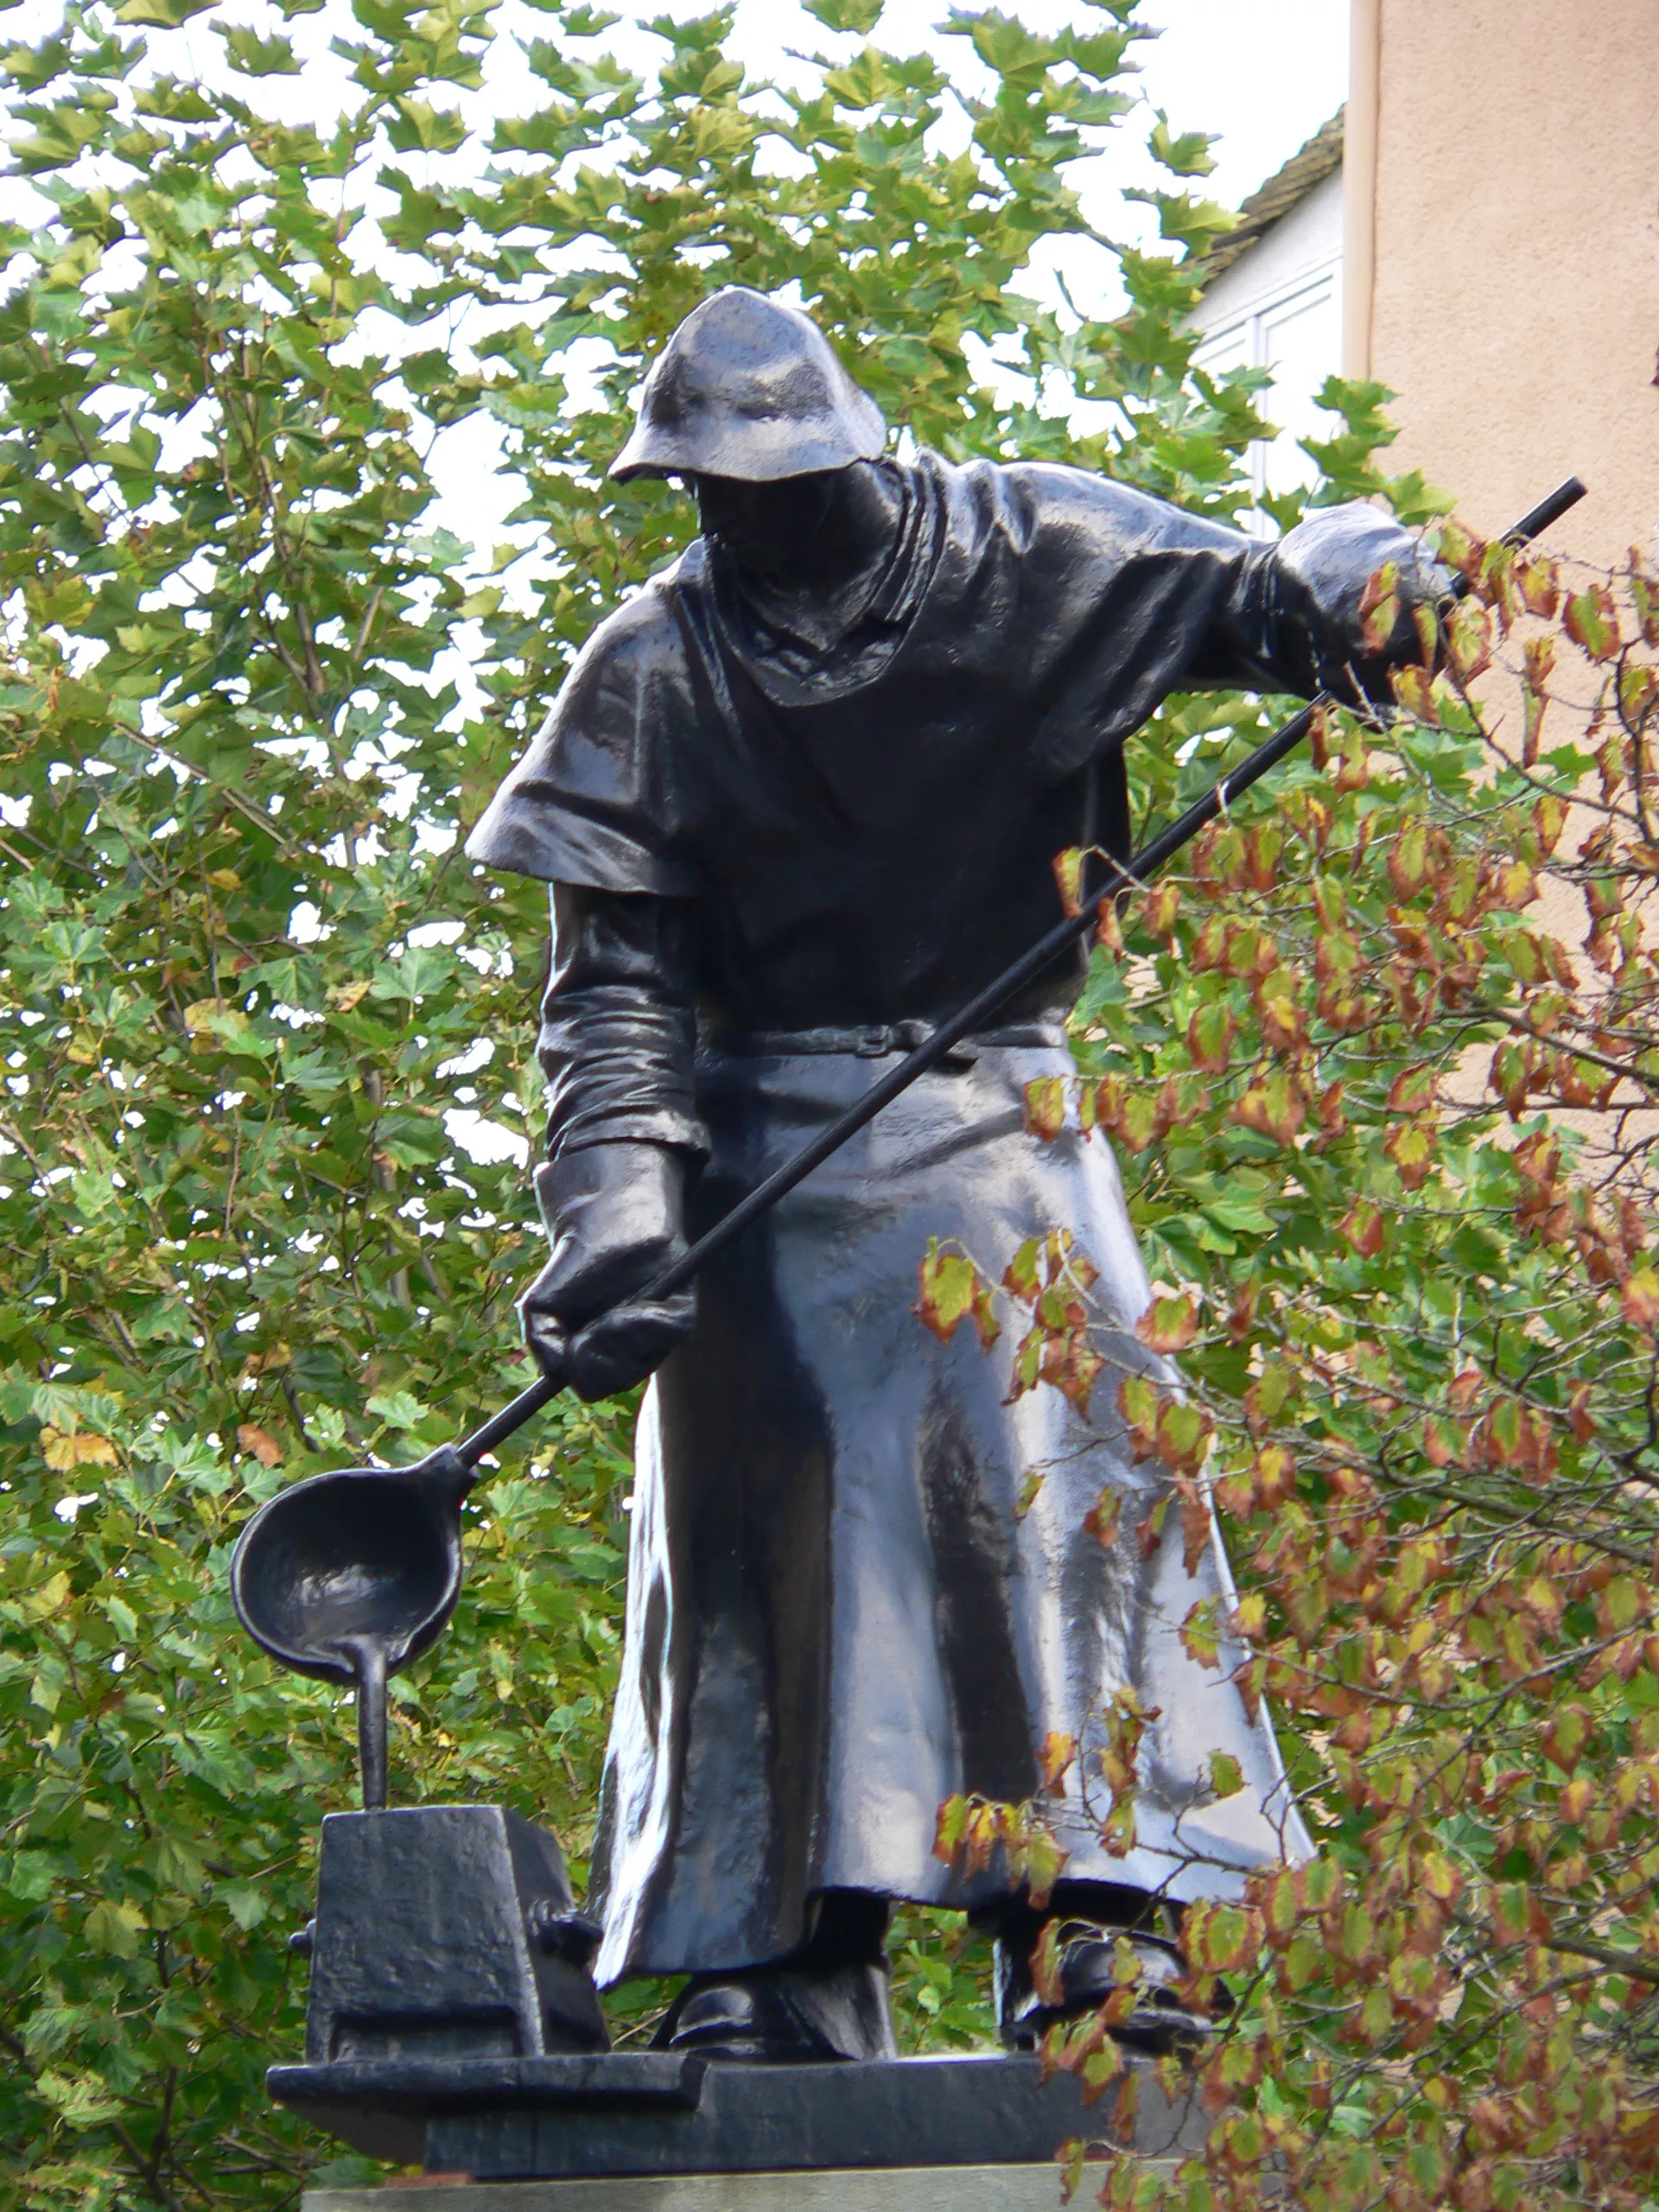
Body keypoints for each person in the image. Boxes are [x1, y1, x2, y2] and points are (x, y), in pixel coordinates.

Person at [466, 286, 1441, 2063]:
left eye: (768, 480)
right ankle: (769, 1951)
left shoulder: (1037, 548)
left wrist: (1365, 584)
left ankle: (1092, 1920)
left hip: (1004, 1124)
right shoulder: (656, 665)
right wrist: (615, 1210)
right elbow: (611, 992)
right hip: (758, 1155)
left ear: (845, 452)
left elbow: (1268, 609)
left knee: (1059, 1501)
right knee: (761, 1548)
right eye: (705, 488)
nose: (735, 516)